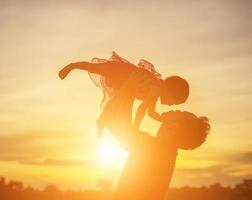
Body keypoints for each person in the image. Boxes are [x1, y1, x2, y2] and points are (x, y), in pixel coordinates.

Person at [102, 70, 210, 200]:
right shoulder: (165, 152)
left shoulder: (153, 148)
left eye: (182, 112)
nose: (177, 109)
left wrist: (128, 88)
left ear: (175, 126)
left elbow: (112, 121)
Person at [59, 52, 190, 137]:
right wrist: (135, 128)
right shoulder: (157, 88)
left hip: (125, 85)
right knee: (95, 68)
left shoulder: (156, 91)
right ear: (171, 90)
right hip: (122, 72)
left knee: (117, 103)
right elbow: (142, 109)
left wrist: (163, 119)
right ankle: (73, 66)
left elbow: (151, 113)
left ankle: (103, 120)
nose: (170, 104)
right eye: (173, 101)